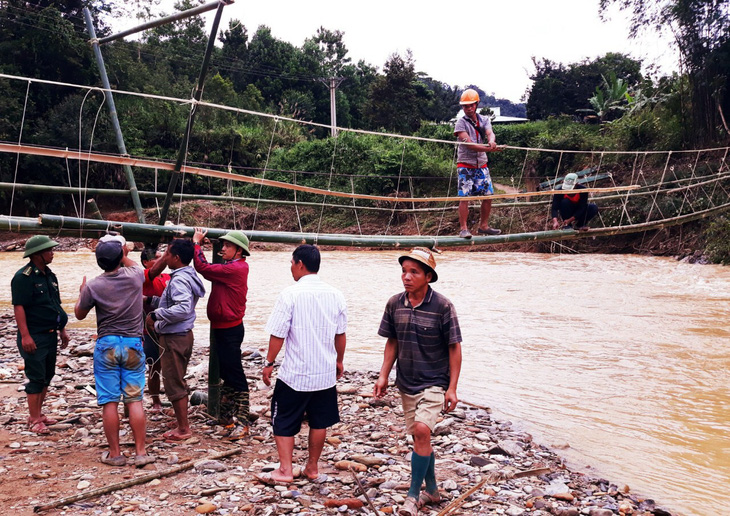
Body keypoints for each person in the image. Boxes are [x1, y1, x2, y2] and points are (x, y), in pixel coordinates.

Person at [374, 247, 462, 516]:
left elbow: (455, 348)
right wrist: (383, 375)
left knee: (422, 431)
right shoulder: (394, 304)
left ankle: (413, 496)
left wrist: (452, 388)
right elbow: (393, 342)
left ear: (428, 276)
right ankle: (433, 490)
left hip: (435, 380)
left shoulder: (444, 307)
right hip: (407, 381)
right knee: (419, 437)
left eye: (414, 272)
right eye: (404, 271)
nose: (406, 277)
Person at [261, 244, 347, 484]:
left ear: (300, 264)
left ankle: (286, 470)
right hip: (324, 374)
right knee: (319, 421)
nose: (291, 267)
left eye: (291, 263)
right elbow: (340, 334)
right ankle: (312, 467)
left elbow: (278, 333)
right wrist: (339, 360)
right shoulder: (336, 294)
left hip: (295, 374)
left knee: (283, 419)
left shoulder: (290, 294)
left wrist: (269, 362)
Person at [74, 235, 154, 467]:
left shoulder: (93, 285)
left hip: (107, 343)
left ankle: (115, 454)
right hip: (133, 343)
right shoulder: (134, 276)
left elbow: (79, 315)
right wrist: (124, 252)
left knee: (109, 401)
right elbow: (134, 265)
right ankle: (140, 452)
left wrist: (81, 292)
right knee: (135, 399)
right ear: (121, 257)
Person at [192, 228, 251, 439]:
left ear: (238, 251)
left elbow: (202, 267)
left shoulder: (236, 269)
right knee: (227, 374)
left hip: (230, 330)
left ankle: (243, 422)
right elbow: (211, 268)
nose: (223, 248)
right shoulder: (230, 267)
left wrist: (196, 243)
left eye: (227, 246)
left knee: (235, 375)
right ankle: (226, 418)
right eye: (223, 245)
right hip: (224, 327)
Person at [145, 239, 205, 441]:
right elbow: (175, 302)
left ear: (176, 258)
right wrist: (151, 301)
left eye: (167, 254)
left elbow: (182, 307)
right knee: (177, 378)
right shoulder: (187, 275)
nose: (164, 258)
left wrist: (156, 315)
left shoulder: (178, 280)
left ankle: (183, 428)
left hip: (174, 337)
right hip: (183, 335)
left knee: (173, 381)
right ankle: (181, 421)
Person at [11, 235, 70, 435]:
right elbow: (19, 308)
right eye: (49, 250)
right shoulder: (23, 277)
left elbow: (55, 305)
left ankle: (38, 414)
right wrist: (25, 336)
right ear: (37, 254)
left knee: (47, 375)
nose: (52, 253)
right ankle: (34, 419)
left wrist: (62, 330)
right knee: (36, 376)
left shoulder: (50, 275)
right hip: (34, 334)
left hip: (51, 333)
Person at [454, 88, 503, 239]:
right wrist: (489, 149)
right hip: (465, 164)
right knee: (464, 197)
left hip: (481, 164)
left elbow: (489, 132)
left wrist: (492, 141)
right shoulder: (460, 124)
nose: (468, 109)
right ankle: (464, 229)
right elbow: (469, 145)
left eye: (471, 105)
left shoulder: (484, 120)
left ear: (476, 105)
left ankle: (484, 226)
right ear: (463, 107)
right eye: (465, 106)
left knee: (488, 195)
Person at [140, 247, 171, 412]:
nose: (161, 260)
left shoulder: (168, 276)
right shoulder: (145, 278)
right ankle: (156, 400)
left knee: (172, 365)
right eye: (156, 258)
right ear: (146, 262)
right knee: (154, 366)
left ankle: (174, 396)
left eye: (162, 256)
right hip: (150, 331)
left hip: (168, 328)